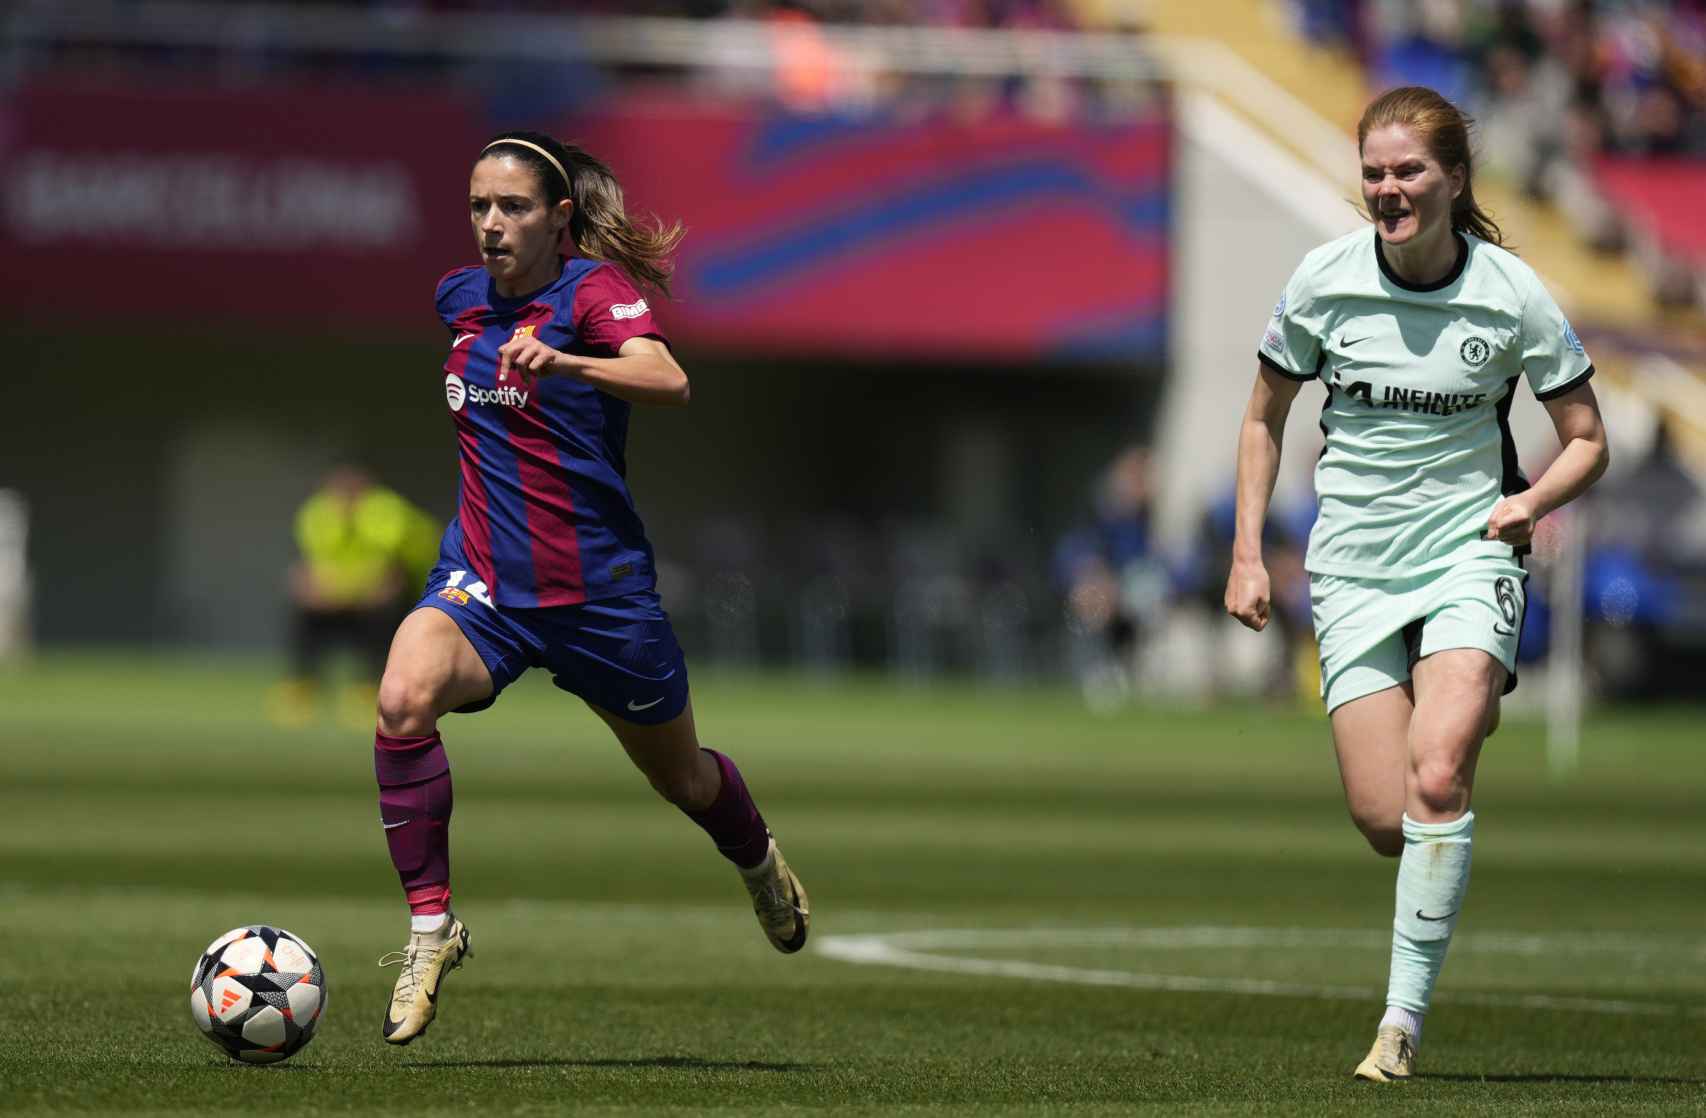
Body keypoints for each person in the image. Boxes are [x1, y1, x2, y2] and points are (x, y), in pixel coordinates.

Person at [371, 130, 810, 1045]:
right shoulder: (460, 298)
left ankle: (758, 859)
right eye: (480, 207)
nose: (492, 225)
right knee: (403, 697)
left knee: (683, 778)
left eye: (514, 207)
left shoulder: (594, 295)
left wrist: (567, 363)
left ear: (560, 216)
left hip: (599, 599)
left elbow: (668, 377)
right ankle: (428, 931)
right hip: (485, 582)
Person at [1224, 87, 1609, 1082]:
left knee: (1435, 774)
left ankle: (1395, 1027)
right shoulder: (1323, 280)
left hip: (1467, 551)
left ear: (1451, 180)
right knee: (1383, 815)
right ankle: (1447, 748)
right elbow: (1261, 414)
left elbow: (1584, 441)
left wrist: (1527, 506)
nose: (1387, 190)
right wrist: (1242, 550)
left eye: (1406, 172)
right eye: (1374, 173)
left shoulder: (1509, 290)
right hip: (1350, 564)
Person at [269, 465, 437, 728]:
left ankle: (370, 690)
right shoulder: (317, 512)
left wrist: (353, 592)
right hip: (348, 591)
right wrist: (316, 589)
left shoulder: (385, 511)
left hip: (399, 591)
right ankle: (301, 688)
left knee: (381, 615)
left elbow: (391, 574)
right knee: (305, 614)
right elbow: (312, 565)